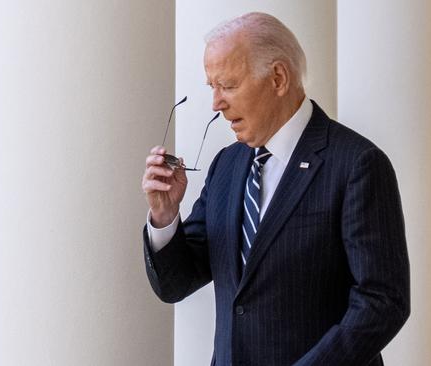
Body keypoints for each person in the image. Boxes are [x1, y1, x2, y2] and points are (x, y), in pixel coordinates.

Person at [141, 12, 410, 366]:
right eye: (213, 87)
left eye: (229, 85)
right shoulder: (226, 165)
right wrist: (164, 215)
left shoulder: (357, 164)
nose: (216, 103)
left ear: (278, 78)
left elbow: (383, 301)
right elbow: (176, 284)